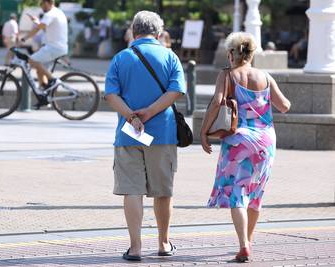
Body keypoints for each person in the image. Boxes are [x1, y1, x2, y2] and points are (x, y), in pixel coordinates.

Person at [200, 32, 291, 262]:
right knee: (255, 195)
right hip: (266, 142)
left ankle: (243, 245)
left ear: (231, 54)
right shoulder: (266, 77)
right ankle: (248, 242)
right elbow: (285, 106)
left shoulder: (227, 75)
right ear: (251, 54)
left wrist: (203, 131)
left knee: (237, 194)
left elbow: (217, 102)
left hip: (238, 141)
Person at [105, 11, 185, 261]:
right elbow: (176, 90)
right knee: (163, 191)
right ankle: (163, 243)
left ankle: (136, 247)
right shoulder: (170, 56)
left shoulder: (121, 58)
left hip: (129, 135)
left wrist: (132, 116)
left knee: (132, 190)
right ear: (159, 33)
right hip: (163, 133)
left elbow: (111, 94)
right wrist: (150, 112)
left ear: (133, 30)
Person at [20, 0, 68, 108]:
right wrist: (37, 21)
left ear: (48, 2)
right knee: (39, 69)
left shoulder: (50, 14)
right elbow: (46, 28)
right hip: (57, 47)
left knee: (31, 60)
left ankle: (52, 80)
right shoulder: (58, 12)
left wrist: (23, 39)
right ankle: (44, 96)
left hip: (54, 47)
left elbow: (38, 29)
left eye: (42, 4)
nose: (41, 6)